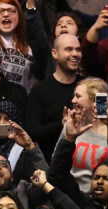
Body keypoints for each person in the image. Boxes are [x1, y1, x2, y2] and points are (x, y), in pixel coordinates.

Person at [25, 33, 83, 162]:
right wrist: (61, 125)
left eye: (78, 50)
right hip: (51, 163)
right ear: (54, 53)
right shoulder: (40, 90)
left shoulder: (89, 85)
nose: (75, 54)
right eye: (69, 49)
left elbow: (105, 119)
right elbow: (31, 132)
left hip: (85, 161)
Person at [0, 101, 47, 183]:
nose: (1, 123)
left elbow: (43, 181)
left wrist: (30, 146)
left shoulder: (23, 151)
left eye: (7, 119)